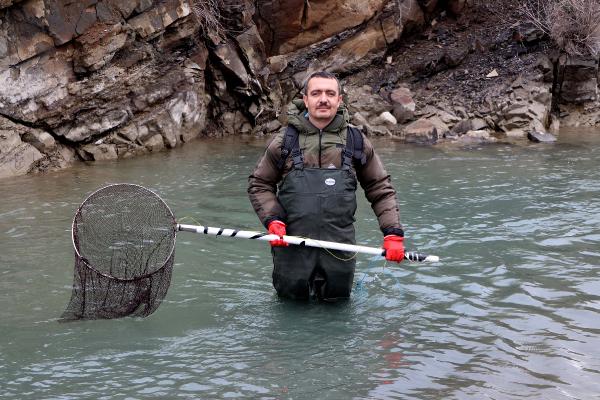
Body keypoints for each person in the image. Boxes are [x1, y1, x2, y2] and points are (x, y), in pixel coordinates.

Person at [248, 71, 405, 301]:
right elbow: (259, 183)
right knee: (291, 308)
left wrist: (393, 233)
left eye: (330, 93)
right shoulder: (284, 141)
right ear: (306, 99)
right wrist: (273, 219)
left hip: (340, 248)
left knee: (338, 309)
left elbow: (380, 188)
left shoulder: (356, 141)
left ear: (339, 100)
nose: (323, 99)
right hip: (292, 246)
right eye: (316, 93)